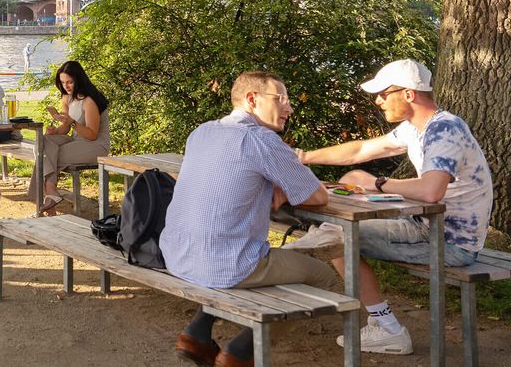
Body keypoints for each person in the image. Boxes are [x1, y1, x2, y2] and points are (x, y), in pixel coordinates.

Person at [298, 59, 493, 355]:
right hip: (424, 225)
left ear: (408, 94)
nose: (378, 101)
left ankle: (388, 330)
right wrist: (304, 156)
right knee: (333, 233)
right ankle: (382, 324)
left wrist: (375, 183)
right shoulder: (415, 129)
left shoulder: (445, 129)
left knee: (336, 239)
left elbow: (431, 191)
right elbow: (361, 149)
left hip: (452, 242)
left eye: (383, 94)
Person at [160, 71, 332, 367]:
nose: (289, 108)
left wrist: (275, 183)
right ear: (253, 100)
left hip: (177, 255)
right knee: (323, 276)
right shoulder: (261, 139)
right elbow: (318, 196)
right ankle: (240, 353)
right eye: (281, 99)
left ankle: (197, 333)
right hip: (228, 265)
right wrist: (283, 185)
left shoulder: (201, 131)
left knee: (257, 256)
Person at [27, 61, 110, 214]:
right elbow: (65, 128)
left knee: (46, 156)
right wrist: (55, 131)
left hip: (95, 146)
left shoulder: (89, 101)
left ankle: (49, 197)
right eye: (63, 82)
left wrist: (73, 122)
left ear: (79, 79)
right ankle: (51, 194)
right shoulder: (67, 98)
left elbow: (92, 134)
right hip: (76, 141)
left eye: (70, 82)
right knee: (43, 141)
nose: (66, 86)